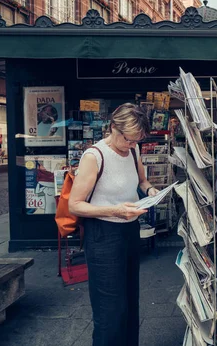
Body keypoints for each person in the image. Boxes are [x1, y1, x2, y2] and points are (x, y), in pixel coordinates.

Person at [68, 103, 158, 346]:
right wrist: (114, 210)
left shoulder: (133, 150)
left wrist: (151, 190)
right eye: (129, 139)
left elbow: (141, 180)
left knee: (129, 299)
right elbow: (74, 205)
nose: (132, 145)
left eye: (136, 140)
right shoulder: (94, 156)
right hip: (103, 234)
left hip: (129, 229)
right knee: (110, 307)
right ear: (113, 128)